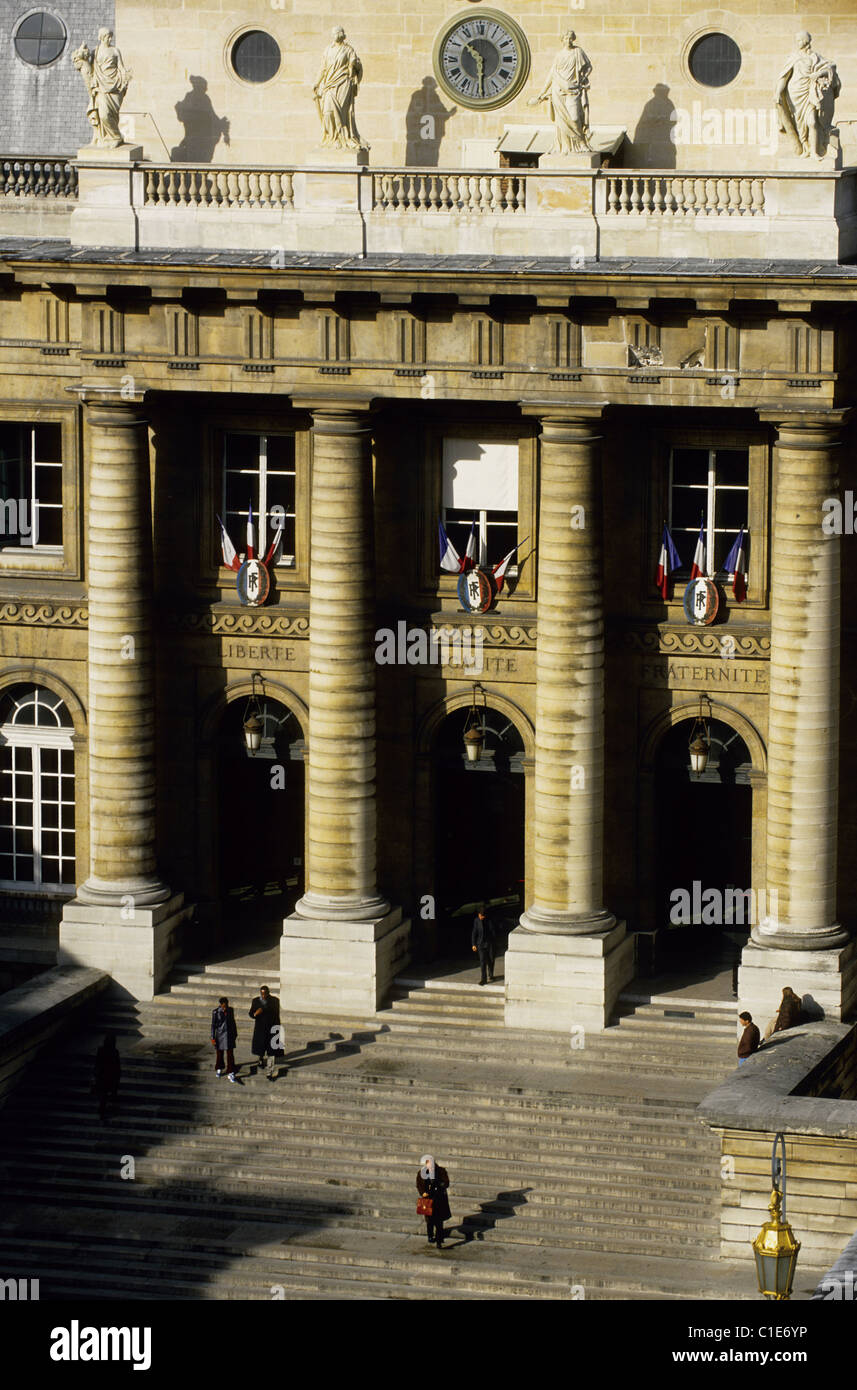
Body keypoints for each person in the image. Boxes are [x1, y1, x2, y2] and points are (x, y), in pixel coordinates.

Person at [529, 29, 593, 154]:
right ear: (562, 40)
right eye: (565, 38)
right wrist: (541, 93)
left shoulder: (578, 52)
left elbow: (589, 67)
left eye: (570, 38)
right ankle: (566, 146)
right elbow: (552, 74)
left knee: (574, 118)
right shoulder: (559, 55)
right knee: (561, 121)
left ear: (573, 39)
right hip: (558, 90)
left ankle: (581, 142)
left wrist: (583, 78)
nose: (568, 41)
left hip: (573, 90)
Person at [313, 27, 367, 151]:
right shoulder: (327, 50)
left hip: (343, 83)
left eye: (338, 32)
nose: (336, 34)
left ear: (343, 35)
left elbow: (356, 66)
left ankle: (342, 139)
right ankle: (331, 138)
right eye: (334, 32)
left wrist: (354, 65)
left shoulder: (348, 50)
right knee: (328, 112)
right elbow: (323, 67)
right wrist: (317, 82)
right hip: (329, 84)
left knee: (342, 113)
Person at [416, 1154, 451, 1249]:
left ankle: (439, 1241)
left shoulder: (441, 1171)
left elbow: (446, 1183)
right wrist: (422, 1193)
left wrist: (440, 1184)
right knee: (429, 1220)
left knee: (439, 1221)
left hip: (439, 1199)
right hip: (427, 1199)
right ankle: (430, 1236)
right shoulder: (421, 1173)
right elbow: (419, 1184)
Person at [249, 985, 281, 1081]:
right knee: (261, 1047)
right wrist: (255, 1014)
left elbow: (275, 1013)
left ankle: (269, 1072)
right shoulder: (255, 1001)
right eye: (261, 994)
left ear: (268, 993)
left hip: (271, 1029)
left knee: (271, 1052)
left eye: (265, 994)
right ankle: (260, 1059)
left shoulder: (274, 1001)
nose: (263, 996)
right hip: (260, 1029)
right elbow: (251, 1013)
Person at [93, 1032, 120, 1121]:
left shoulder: (101, 1050)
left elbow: (97, 1063)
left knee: (103, 1094)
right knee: (106, 1094)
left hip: (102, 1075)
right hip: (110, 1076)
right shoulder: (114, 1051)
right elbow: (117, 1066)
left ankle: (102, 1110)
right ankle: (103, 1110)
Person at [210, 996, 238, 1082]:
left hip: (229, 1035)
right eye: (224, 1005)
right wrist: (212, 1037)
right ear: (221, 1005)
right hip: (220, 1035)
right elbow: (213, 1025)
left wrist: (235, 1033)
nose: (225, 1007)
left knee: (230, 1054)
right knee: (219, 1053)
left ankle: (231, 1070)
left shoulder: (230, 1010)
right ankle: (219, 1067)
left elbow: (233, 1022)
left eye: (226, 1005)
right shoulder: (215, 1012)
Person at [471, 905, 496, 984]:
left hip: (489, 944)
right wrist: (473, 944)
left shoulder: (489, 920)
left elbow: (493, 932)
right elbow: (474, 933)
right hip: (480, 944)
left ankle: (491, 974)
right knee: (482, 961)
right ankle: (483, 979)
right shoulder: (476, 921)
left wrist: (494, 942)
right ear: (478, 914)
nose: (481, 917)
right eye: (480, 915)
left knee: (491, 960)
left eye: (483, 916)